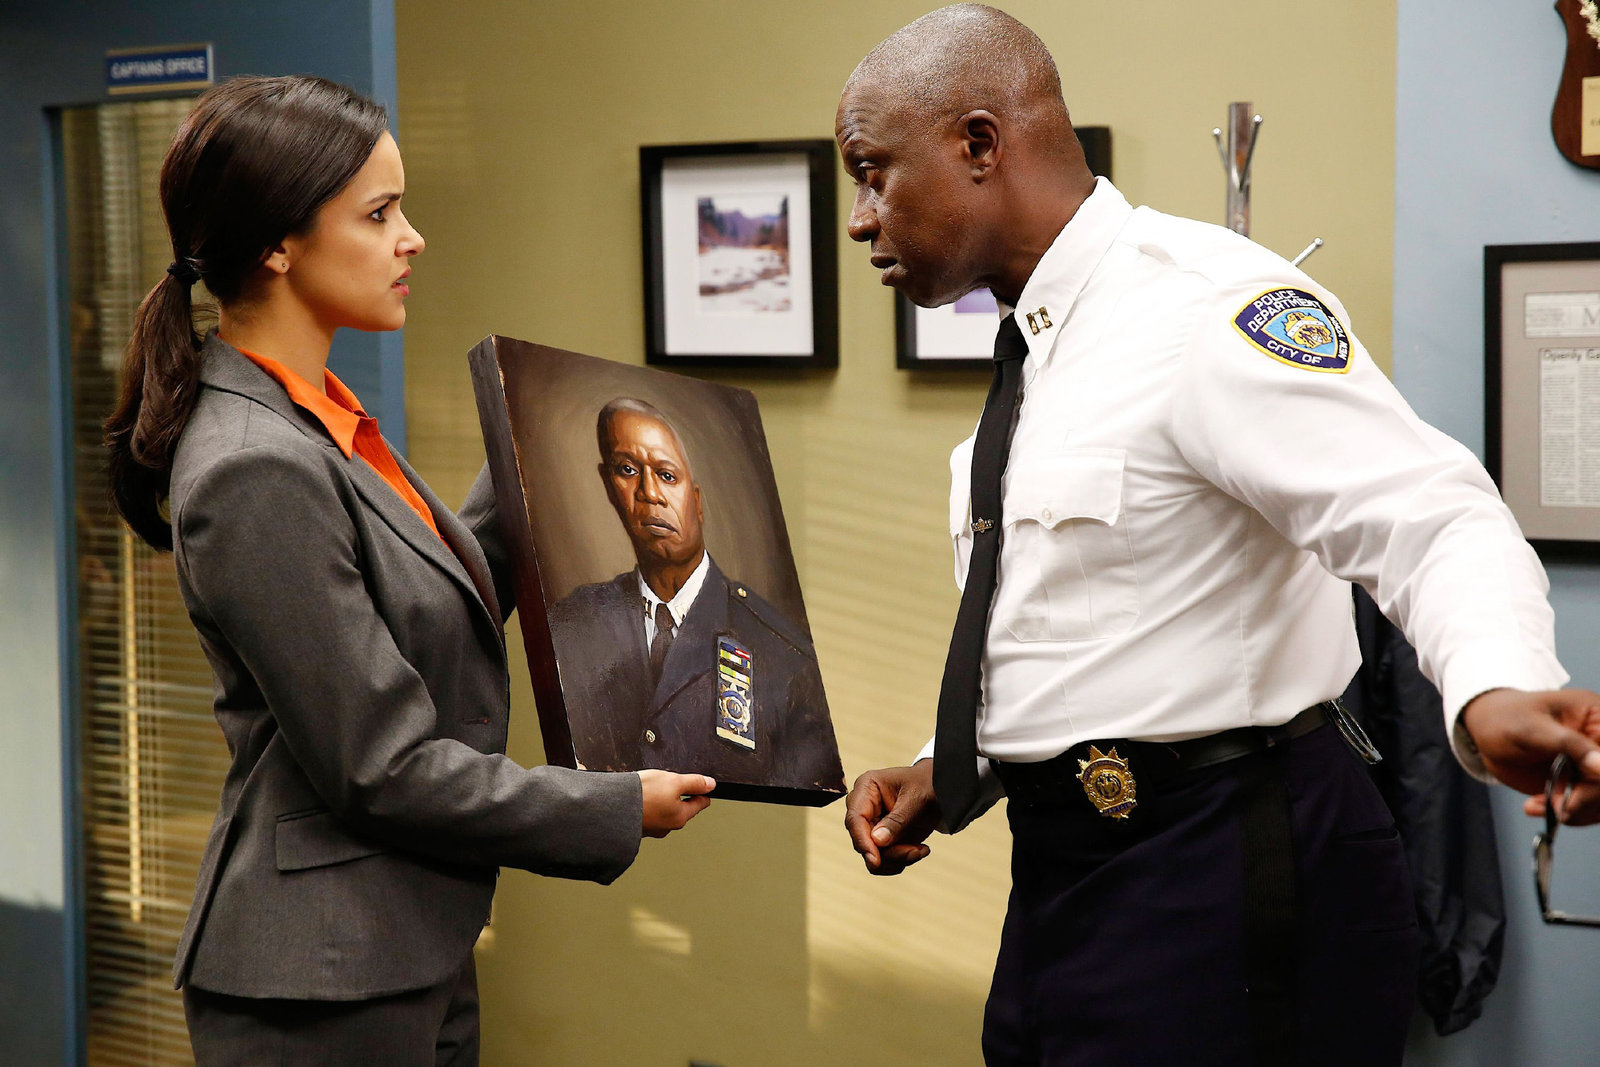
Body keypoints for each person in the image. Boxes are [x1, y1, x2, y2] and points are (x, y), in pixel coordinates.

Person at [835, 7, 1600, 1066]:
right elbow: (1089, 617)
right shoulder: (1044, 346)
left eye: (872, 174)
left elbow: (1426, 510)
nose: (861, 219)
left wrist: (1497, 683)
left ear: (978, 143)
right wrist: (952, 762)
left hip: (1232, 865)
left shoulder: (1205, 307)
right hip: (1067, 879)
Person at [103, 75, 714, 1065]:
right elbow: (379, 766)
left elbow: (423, 605)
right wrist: (611, 806)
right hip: (316, 977)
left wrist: (540, 448)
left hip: (398, 945)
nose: (413, 238)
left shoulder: (317, 418)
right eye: (379, 213)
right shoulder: (256, 465)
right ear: (279, 244)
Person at [547, 397, 844, 794]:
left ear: (698, 502)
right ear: (608, 486)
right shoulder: (573, 624)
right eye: (628, 470)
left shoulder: (784, 654)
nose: (650, 493)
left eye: (667, 476)